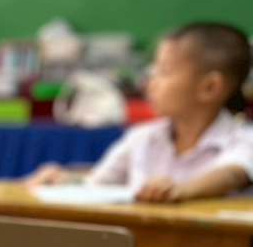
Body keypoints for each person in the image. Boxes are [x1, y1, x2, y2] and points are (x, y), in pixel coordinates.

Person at [30, 22, 253, 201]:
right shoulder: (142, 138)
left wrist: (181, 190)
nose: (149, 81)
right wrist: (64, 178)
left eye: (164, 71)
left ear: (210, 87)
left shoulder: (244, 139)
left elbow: (233, 174)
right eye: (152, 70)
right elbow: (99, 181)